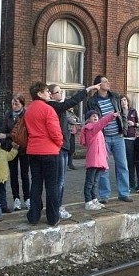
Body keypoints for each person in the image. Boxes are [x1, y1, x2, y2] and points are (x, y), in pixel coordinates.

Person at [48, 82, 101, 220]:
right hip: (59, 147)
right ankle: (56, 208)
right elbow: (72, 101)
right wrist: (88, 89)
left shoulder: (59, 108)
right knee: (59, 181)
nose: (61, 94)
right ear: (51, 94)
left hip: (64, 146)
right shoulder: (54, 106)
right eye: (58, 92)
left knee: (61, 180)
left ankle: (56, 206)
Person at [85, 75, 133, 203]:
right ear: (98, 85)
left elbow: (122, 113)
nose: (108, 83)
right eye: (105, 81)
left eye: (108, 80)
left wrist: (124, 130)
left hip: (118, 136)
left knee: (122, 165)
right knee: (103, 167)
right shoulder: (92, 101)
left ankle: (124, 193)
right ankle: (104, 196)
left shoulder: (115, 97)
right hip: (103, 138)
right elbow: (89, 118)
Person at [24, 82, 64, 226]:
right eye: (47, 91)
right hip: (49, 151)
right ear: (40, 93)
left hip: (33, 150)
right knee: (51, 185)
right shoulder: (48, 110)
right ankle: (53, 217)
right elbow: (55, 132)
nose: (49, 93)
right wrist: (59, 143)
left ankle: (33, 216)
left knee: (36, 184)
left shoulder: (28, 110)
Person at [80, 109, 118, 210]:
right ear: (88, 119)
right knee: (90, 182)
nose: (96, 117)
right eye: (93, 116)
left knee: (95, 181)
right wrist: (111, 116)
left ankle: (93, 199)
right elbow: (102, 122)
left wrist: (105, 156)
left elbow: (102, 145)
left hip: (99, 160)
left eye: (97, 115)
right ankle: (88, 201)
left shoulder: (97, 130)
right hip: (93, 159)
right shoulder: (91, 128)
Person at [0, 94, 30, 210]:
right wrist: (11, 142)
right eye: (12, 103)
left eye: (16, 103)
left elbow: (29, 132)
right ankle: (16, 198)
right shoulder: (8, 115)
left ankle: (27, 198)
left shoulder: (26, 115)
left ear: (22, 104)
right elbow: (4, 131)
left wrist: (20, 142)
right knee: (13, 175)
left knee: (25, 174)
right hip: (11, 148)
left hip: (24, 149)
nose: (14, 106)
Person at [0, 138, 19, 214]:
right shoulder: (3, 152)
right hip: (2, 177)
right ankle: (3, 206)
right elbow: (11, 156)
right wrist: (15, 149)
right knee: (2, 193)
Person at [120, 95, 139, 191]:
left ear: (127, 101)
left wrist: (134, 124)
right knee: (122, 162)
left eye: (124, 100)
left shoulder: (133, 111)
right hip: (122, 139)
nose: (123, 102)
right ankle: (123, 183)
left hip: (131, 139)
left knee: (131, 162)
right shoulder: (119, 112)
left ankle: (132, 183)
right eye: (121, 101)